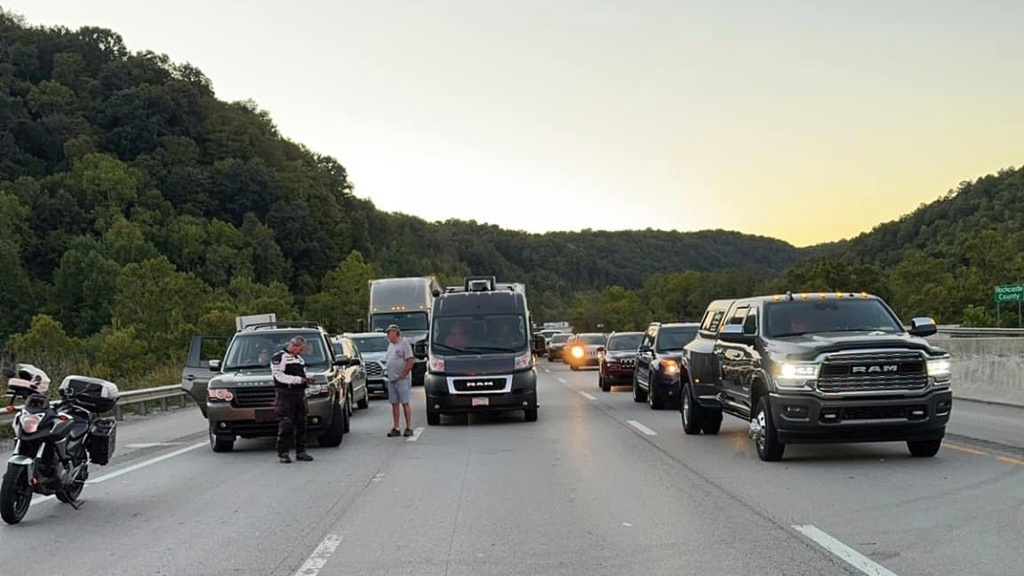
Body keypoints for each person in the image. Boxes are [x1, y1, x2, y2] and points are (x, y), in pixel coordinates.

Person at [271, 336, 315, 463]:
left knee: (302, 422)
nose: (301, 352)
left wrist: (307, 379)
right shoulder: (279, 357)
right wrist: (297, 380)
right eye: (300, 349)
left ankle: (301, 451)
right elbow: (279, 376)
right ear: (294, 346)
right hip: (285, 394)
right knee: (286, 423)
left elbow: (301, 374)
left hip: (299, 394)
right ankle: (283, 452)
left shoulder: (298, 359)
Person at [384, 324, 415, 437]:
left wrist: (404, 374)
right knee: (394, 403)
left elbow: (410, 360)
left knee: (405, 402)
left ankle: (409, 426)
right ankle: (396, 427)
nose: (387, 335)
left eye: (389, 333)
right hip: (392, 378)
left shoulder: (404, 343)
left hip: (402, 378)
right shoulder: (390, 345)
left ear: (395, 333)